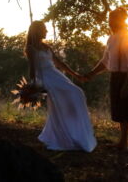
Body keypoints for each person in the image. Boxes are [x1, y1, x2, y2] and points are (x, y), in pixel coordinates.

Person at [25, 20, 97, 152]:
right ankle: (64, 135)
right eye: (44, 29)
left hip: (56, 75)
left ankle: (75, 131)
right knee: (64, 99)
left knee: (78, 93)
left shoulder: (46, 47)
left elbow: (60, 64)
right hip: (45, 77)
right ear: (38, 31)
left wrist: (76, 75)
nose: (46, 31)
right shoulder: (31, 48)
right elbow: (32, 68)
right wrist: (33, 85)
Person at [85, 7, 128, 153]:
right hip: (115, 77)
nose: (110, 22)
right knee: (121, 112)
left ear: (121, 20)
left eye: (113, 19)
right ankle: (122, 143)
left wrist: (127, 85)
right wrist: (91, 74)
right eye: (109, 20)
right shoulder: (111, 39)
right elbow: (105, 62)